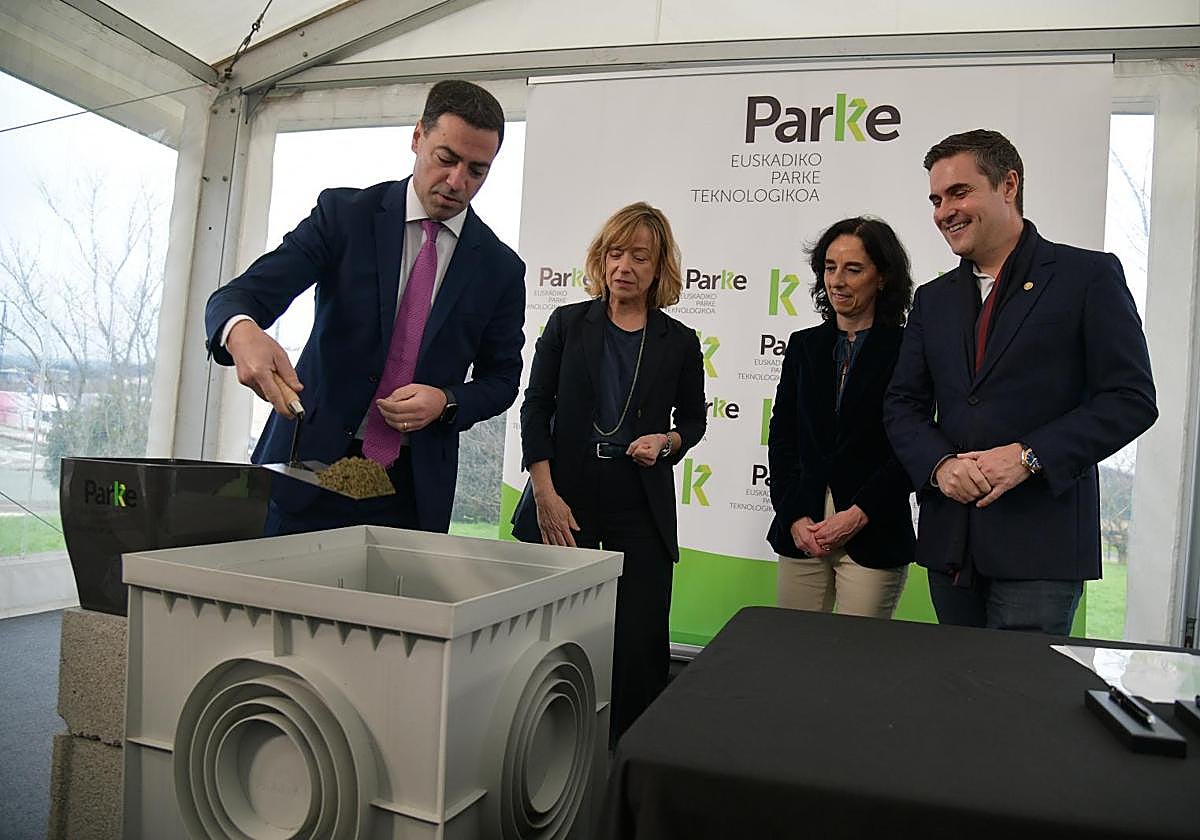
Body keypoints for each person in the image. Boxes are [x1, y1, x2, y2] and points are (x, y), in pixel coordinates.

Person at [205, 80, 525, 535]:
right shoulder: (343, 217)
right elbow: (239, 296)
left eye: (477, 170)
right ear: (417, 138)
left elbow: (502, 380)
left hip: (411, 495)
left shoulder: (500, 268)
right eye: (446, 159)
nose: (457, 182)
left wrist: (446, 400)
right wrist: (241, 332)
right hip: (305, 474)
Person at [884, 129, 1157, 633]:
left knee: (1021, 705)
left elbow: (1131, 399)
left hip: (1041, 549)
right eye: (936, 199)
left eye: (959, 192)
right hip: (950, 546)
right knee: (960, 699)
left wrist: (1030, 456)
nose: (944, 211)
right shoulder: (933, 298)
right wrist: (940, 465)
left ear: (1008, 185)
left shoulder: (1087, 276)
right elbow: (902, 405)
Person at [519, 202, 706, 745]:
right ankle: (549, 752)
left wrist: (667, 442)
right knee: (555, 639)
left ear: (659, 268)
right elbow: (536, 409)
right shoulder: (566, 323)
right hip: (566, 496)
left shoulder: (680, 342)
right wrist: (544, 494)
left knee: (639, 645)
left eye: (639, 256)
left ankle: (628, 761)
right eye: (615, 253)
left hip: (639, 503)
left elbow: (693, 421)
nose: (624, 266)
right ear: (601, 261)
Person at [766, 217, 915, 619]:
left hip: (874, 531)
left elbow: (911, 447)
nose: (837, 281)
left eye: (853, 269)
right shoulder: (804, 346)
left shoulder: (908, 349)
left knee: (856, 666)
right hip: (802, 532)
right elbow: (782, 438)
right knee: (795, 656)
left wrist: (858, 513)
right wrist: (794, 515)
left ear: (882, 278)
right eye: (830, 268)